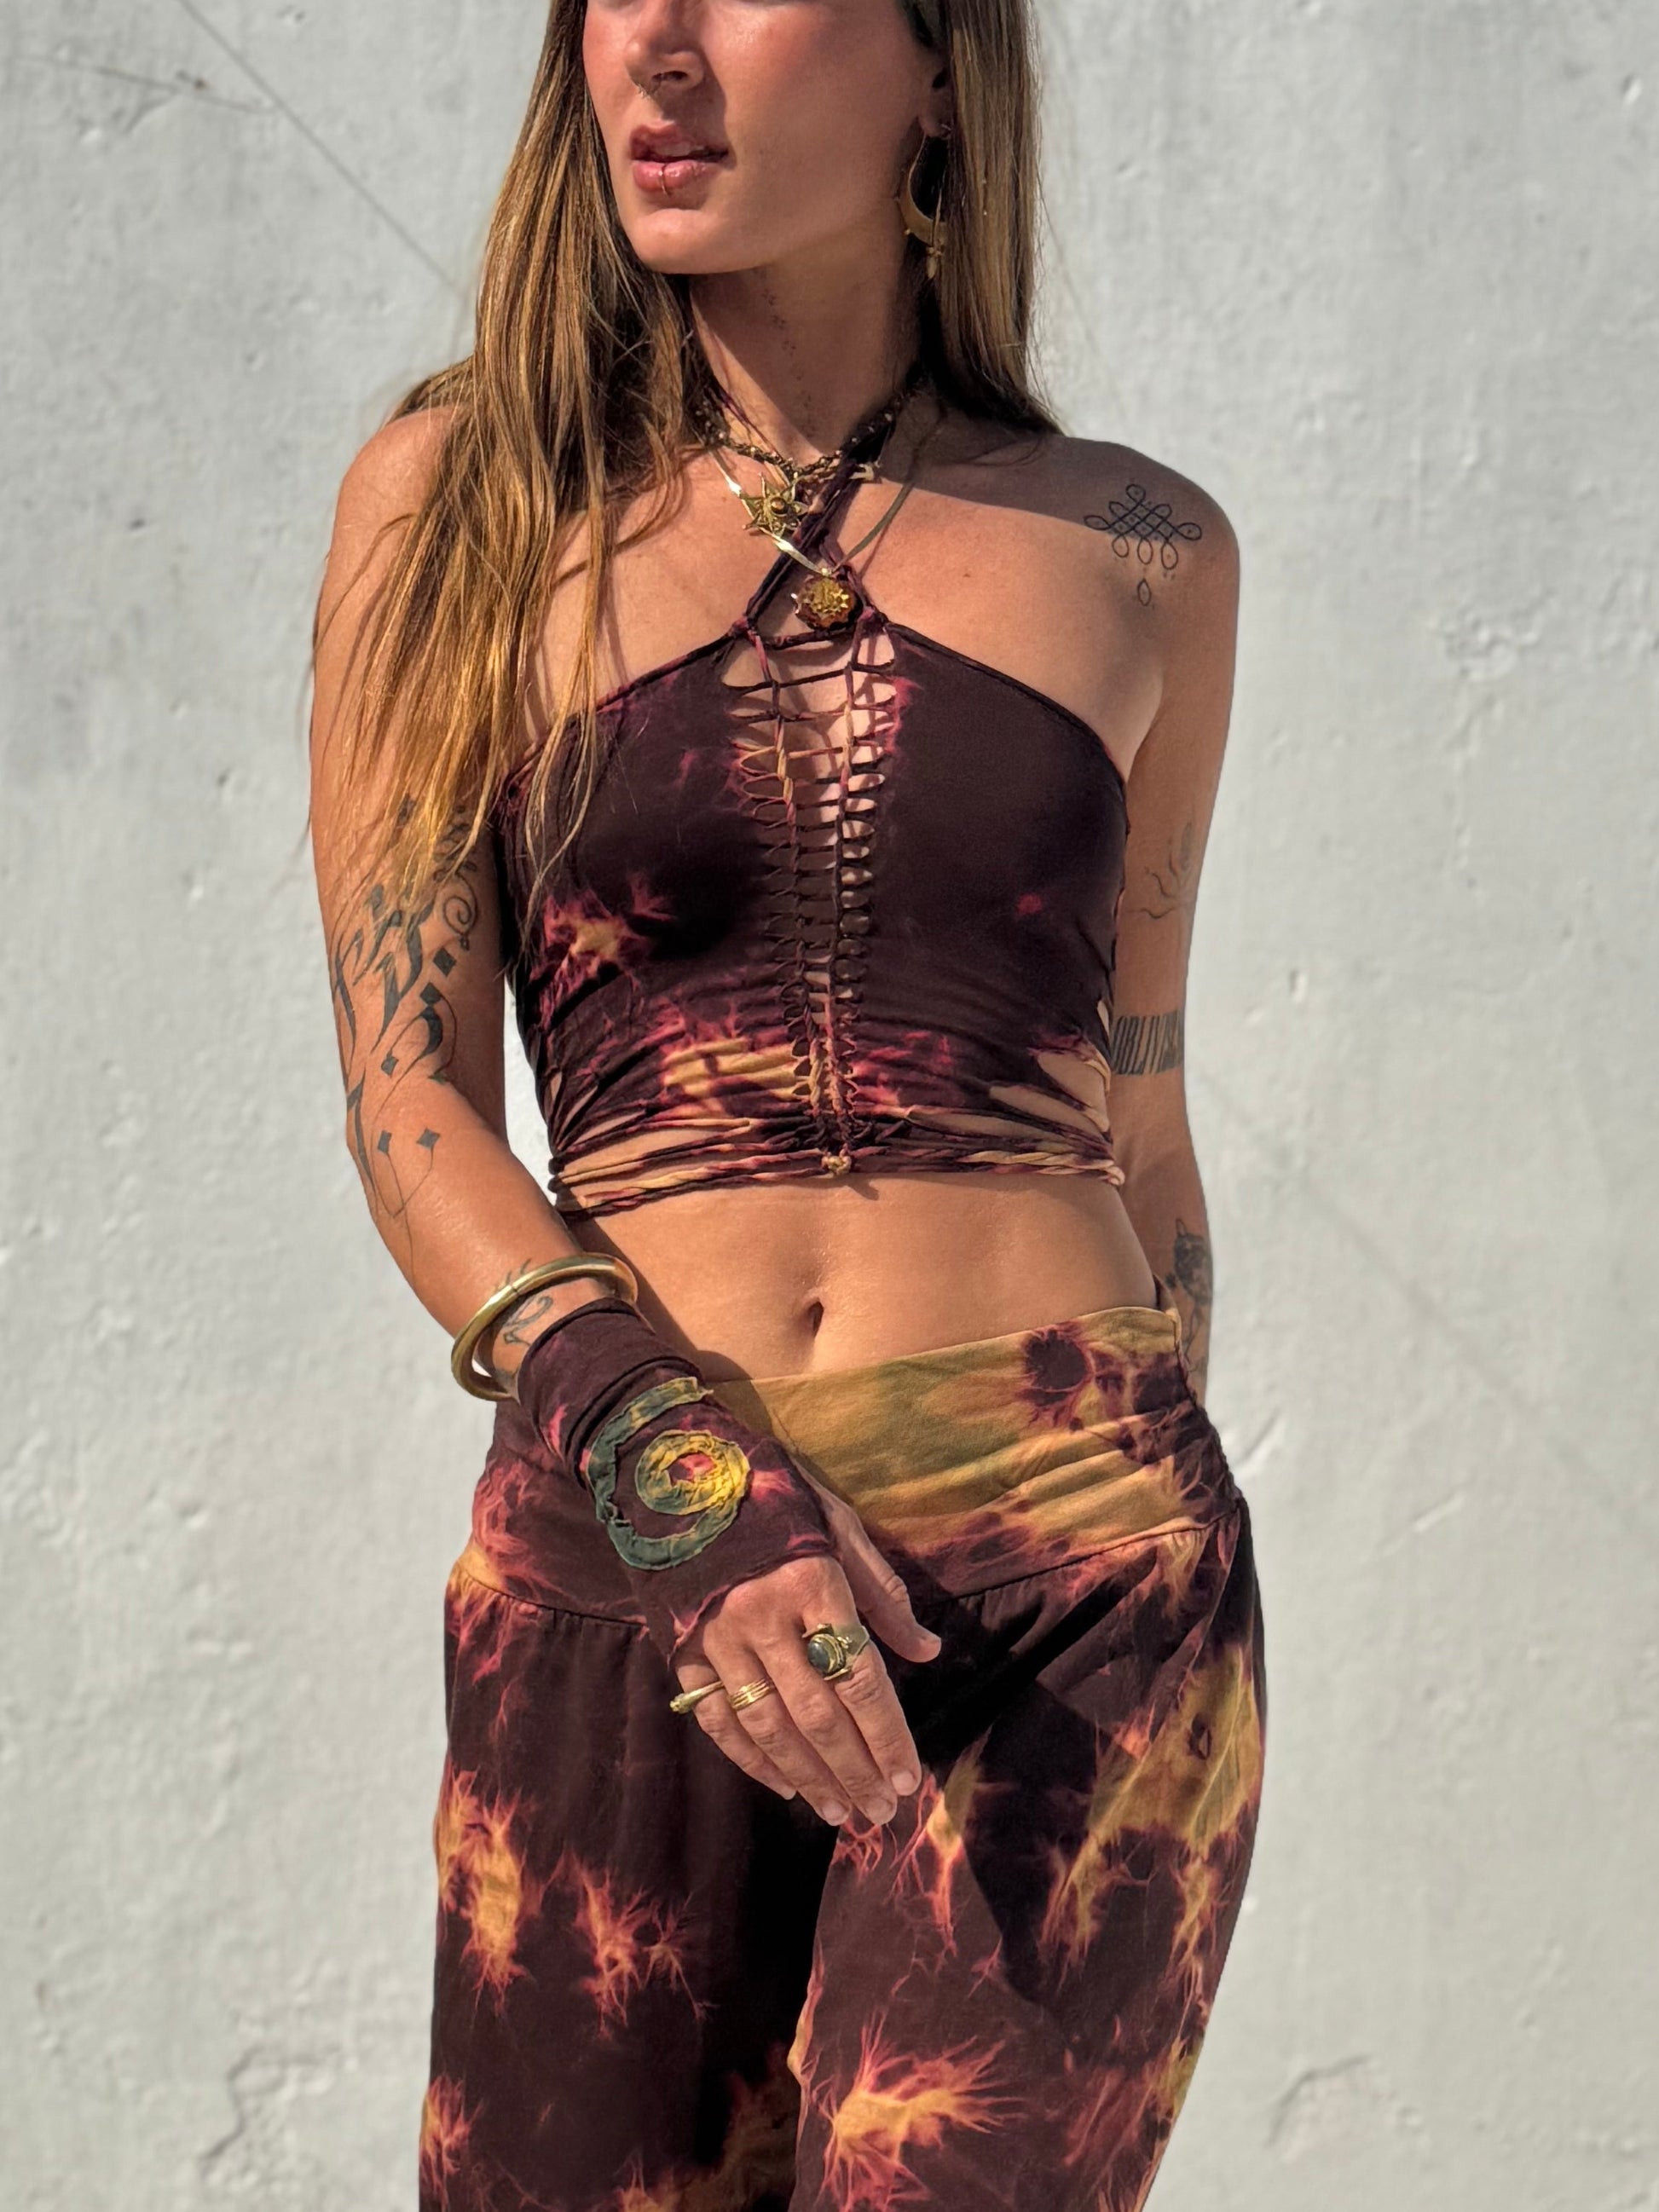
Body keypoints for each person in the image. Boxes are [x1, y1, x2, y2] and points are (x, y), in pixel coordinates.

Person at [307, 1, 1266, 2205]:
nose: (652, 43)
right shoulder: (460, 504)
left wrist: (1137, 1495)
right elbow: (408, 1097)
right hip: (632, 1558)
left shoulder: (1141, 548)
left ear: (937, 63)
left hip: (1070, 1564)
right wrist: (671, 1470)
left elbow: (1135, 1107)